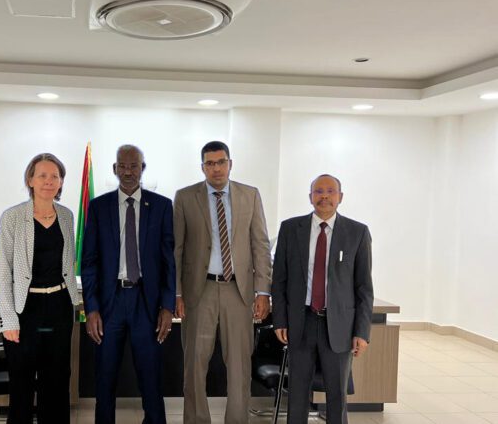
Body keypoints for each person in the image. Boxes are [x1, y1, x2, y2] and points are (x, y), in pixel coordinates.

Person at [173, 141, 272, 424]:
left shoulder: (250, 195)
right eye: (210, 163)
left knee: (239, 365)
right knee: (194, 364)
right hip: (198, 291)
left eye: (221, 162)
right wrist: (177, 293)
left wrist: (263, 291)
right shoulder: (185, 197)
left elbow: (260, 245)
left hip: (238, 292)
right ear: (202, 167)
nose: (216, 168)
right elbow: (176, 249)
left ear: (230, 164)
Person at [81, 144, 175, 424]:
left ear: (142, 168)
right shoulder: (99, 207)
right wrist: (92, 308)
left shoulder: (161, 206)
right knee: (105, 379)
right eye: (122, 166)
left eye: (134, 166)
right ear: (115, 169)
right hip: (109, 304)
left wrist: (167, 306)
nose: (128, 171)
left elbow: (168, 261)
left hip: (146, 303)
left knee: (151, 378)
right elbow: (89, 262)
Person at [271, 174, 374, 424]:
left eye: (330, 191)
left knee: (337, 395)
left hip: (338, 325)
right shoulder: (290, 229)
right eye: (318, 191)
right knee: (297, 393)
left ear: (340, 197)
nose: (324, 196)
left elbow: (364, 287)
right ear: (310, 197)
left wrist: (362, 332)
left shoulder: (357, 232)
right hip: (301, 322)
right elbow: (279, 280)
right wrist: (280, 320)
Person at [0, 153, 80, 424]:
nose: (49, 181)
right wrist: (8, 319)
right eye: (42, 175)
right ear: (30, 180)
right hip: (25, 310)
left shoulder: (66, 216)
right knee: (21, 381)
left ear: (61, 182)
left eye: (55, 176)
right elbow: (3, 271)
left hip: (58, 307)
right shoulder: (12, 217)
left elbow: (68, 264)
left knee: (56, 381)